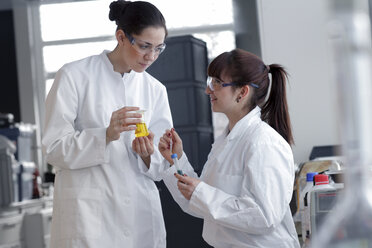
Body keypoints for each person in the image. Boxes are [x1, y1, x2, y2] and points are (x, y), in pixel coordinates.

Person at [42, 1, 172, 247]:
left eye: (158, 48)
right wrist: (106, 135)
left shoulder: (155, 90)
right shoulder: (74, 76)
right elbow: (53, 148)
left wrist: (148, 155)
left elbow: (161, 164)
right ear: (121, 37)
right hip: (89, 220)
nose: (151, 57)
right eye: (144, 46)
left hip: (139, 220)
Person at [158, 49, 301, 247]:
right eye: (211, 81)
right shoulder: (226, 141)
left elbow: (264, 216)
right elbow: (198, 203)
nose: (208, 90)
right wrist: (176, 158)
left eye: (217, 82)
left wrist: (201, 193)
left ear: (242, 92)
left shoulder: (263, 143)